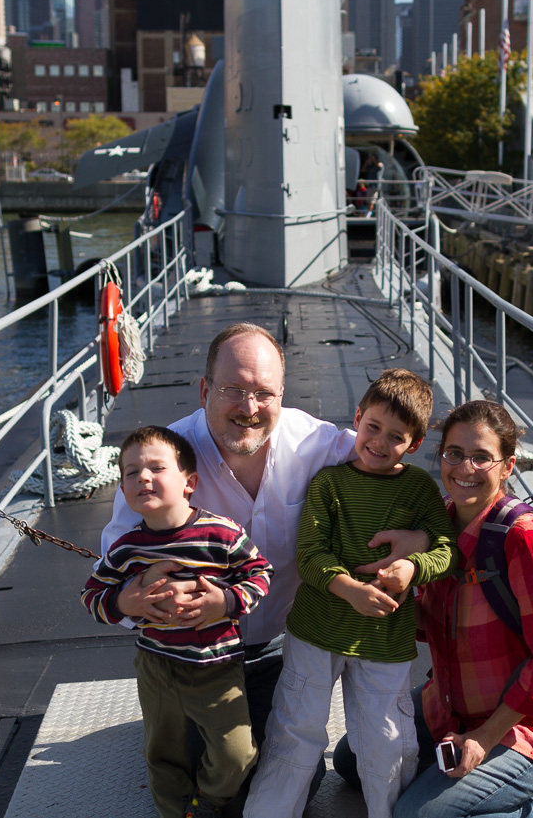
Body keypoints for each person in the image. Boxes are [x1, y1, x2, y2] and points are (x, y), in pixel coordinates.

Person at [97, 323, 430, 811]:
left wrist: (420, 540)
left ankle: (340, 749)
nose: (249, 408)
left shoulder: (313, 442)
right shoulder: (164, 461)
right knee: (207, 782)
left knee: (294, 779)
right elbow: (117, 561)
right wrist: (134, 602)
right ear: (205, 389)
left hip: (277, 650)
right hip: (196, 655)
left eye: (263, 393)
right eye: (234, 389)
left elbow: (393, 468)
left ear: (281, 395)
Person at [244, 369, 458, 818]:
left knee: (386, 740)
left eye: (396, 437)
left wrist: (413, 567)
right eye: (373, 427)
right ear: (357, 419)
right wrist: (350, 590)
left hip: (383, 641)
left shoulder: (420, 490)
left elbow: (447, 550)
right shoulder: (329, 484)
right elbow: (312, 555)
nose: (379, 442)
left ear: (414, 444)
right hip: (316, 632)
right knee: (295, 732)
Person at [389, 400, 533, 818]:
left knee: (415, 815)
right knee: (355, 760)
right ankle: (478, 796)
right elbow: (431, 625)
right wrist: (393, 595)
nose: (465, 469)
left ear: (508, 466)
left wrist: (482, 738)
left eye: (482, 457)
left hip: (523, 727)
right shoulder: (440, 524)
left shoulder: (527, 541)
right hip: (449, 709)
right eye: (455, 454)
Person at [82, 427, 274, 818]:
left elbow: (261, 573)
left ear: (190, 483)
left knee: (237, 754)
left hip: (216, 670)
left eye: (156, 468)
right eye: (131, 473)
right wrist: (122, 600)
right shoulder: (126, 550)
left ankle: (208, 800)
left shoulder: (220, 533)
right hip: (157, 668)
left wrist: (228, 601)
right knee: (163, 753)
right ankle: (177, 812)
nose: (143, 478)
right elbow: (92, 596)